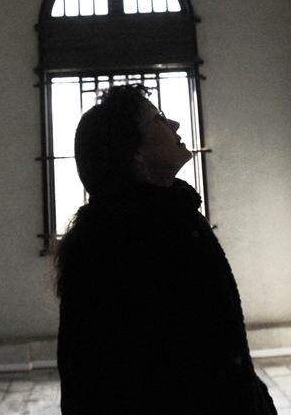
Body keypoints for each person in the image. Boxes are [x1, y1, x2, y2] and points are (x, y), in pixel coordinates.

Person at [55, 84, 276, 415]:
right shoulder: (121, 242)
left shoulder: (172, 217)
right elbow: (100, 376)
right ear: (135, 152)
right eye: (157, 119)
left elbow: (218, 345)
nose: (174, 125)